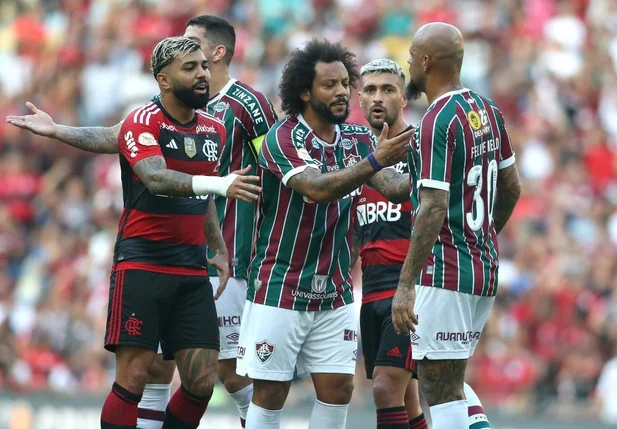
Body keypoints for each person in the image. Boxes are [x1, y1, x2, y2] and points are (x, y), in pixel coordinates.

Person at [6, 16, 277, 429]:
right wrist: (58, 130)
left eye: (204, 66)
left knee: (202, 381)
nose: (203, 75)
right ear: (164, 80)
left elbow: (199, 195)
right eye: (190, 68)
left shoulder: (214, 128)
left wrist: (217, 246)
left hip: (191, 267)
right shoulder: (143, 120)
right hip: (142, 264)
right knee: (135, 376)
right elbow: (157, 177)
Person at [236, 39, 413, 429]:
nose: (342, 93)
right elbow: (317, 188)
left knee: (338, 390)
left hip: (334, 292)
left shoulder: (357, 139)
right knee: (269, 394)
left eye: (345, 83)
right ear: (304, 91)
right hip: (280, 287)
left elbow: (393, 186)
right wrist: (373, 161)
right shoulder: (282, 139)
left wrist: (428, 165)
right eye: (329, 85)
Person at [391, 23, 522, 429]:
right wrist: (478, 238)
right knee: (453, 382)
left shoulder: (436, 121)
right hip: (482, 269)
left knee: (440, 389)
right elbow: (512, 188)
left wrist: (406, 284)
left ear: (426, 61)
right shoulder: (487, 110)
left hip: (444, 273)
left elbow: (431, 207)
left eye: (412, 55)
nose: (409, 62)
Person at [356, 59, 491, 429]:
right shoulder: (358, 155)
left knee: (387, 389)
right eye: (369, 90)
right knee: (411, 397)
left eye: (388, 89)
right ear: (359, 98)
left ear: (404, 98)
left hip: (415, 288)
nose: (378, 98)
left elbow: (434, 206)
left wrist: (410, 284)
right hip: (372, 290)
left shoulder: (425, 142)